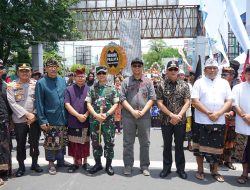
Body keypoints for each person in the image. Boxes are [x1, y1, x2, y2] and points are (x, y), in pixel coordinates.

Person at [191, 58, 233, 182]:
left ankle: (215, 171)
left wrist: (219, 113)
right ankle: (200, 169)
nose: (212, 70)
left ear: (217, 69)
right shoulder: (199, 82)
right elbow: (195, 101)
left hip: (219, 120)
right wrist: (209, 113)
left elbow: (229, 101)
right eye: (209, 68)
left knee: (217, 148)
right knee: (199, 149)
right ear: (205, 70)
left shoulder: (224, 83)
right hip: (201, 120)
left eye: (214, 68)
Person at [120, 58, 156, 176]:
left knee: (145, 143)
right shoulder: (126, 82)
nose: (137, 68)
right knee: (128, 142)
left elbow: (152, 98)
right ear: (131, 67)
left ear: (142, 67)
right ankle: (128, 165)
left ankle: (144, 166)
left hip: (144, 116)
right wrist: (133, 111)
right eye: (134, 66)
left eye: (139, 66)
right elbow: (122, 99)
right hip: (128, 116)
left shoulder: (148, 82)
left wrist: (143, 111)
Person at [7, 64, 43, 177]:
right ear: (18, 72)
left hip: (34, 119)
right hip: (19, 120)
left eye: (26, 71)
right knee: (20, 144)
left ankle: (35, 163)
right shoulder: (12, 85)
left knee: (34, 143)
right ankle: (21, 167)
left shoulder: (36, 84)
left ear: (30, 72)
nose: (24, 73)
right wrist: (27, 114)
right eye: (21, 71)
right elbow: (12, 103)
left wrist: (35, 114)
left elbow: (40, 101)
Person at [156, 61, 190, 179]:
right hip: (166, 121)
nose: (173, 71)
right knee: (167, 145)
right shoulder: (161, 85)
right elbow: (159, 103)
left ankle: (180, 169)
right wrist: (171, 115)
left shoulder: (184, 85)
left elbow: (187, 102)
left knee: (179, 145)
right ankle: (166, 168)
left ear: (178, 70)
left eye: (175, 69)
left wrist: (178, 116)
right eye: (171, 69)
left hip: (180, 121)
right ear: (167, 71)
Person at [35, 59, 67, 175]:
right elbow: (39, 103)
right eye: (50, 66)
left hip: (62, 117)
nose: (53, 68)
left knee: (61, 140)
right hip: (50, 118)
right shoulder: (41, 83)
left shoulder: (62, 80)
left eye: (55, 66)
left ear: (57, 68)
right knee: (50, 142)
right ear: (46, 69)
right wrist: (42, 120)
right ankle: (51, 163)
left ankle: (60, 160)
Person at [86, 66, 118, 176]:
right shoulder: (92, 88)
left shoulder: (112, 88)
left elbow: (116, 104)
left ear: (106, 74)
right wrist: (95, 115)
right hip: (95, 121)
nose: (101, 75)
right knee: (96, 143)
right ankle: (98, 164)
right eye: (99, 73)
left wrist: (107, 114)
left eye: (103, 73)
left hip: (108, 121)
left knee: (109, 143)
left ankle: (108, 165)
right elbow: (88, 103)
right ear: (96, 75)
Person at [64, 67, 90, 173]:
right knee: (74, 143)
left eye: (82, 76)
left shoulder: (89, 89)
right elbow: (67, 104)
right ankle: (75, 162)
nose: (80, 78)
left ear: (85, 77)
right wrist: (78, 115)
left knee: (85, 142)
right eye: (78, 76)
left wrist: (86, 114)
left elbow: (91, 105)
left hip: (86, 120)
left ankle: (85, 162)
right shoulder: (68, 89)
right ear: (74, 77)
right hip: (73, 120)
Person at [232, 65, 250, 184]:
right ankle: (244, 174)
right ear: (246, 74)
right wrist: (246, 117)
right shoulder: (238, 87)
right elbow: (235, 105)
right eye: (249, 73)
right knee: (243, 153)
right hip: (243, 126)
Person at [220, 67, 237, 170]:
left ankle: (228, 160)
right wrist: (223, 112)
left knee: (231, 140)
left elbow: (238, 103)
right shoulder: (219, 87)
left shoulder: (236, 87)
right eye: (227, 74)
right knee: (220, 139)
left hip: (233, 118)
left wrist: (233, 111)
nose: (230, 76)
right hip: (220, 117)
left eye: (232, 74)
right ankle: (218, 159)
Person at [0, 60, 12, 186]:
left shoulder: (5, 86)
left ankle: (4, 172)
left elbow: (9, 105)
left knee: (4, 147)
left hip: (4, 121)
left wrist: (11, 119)